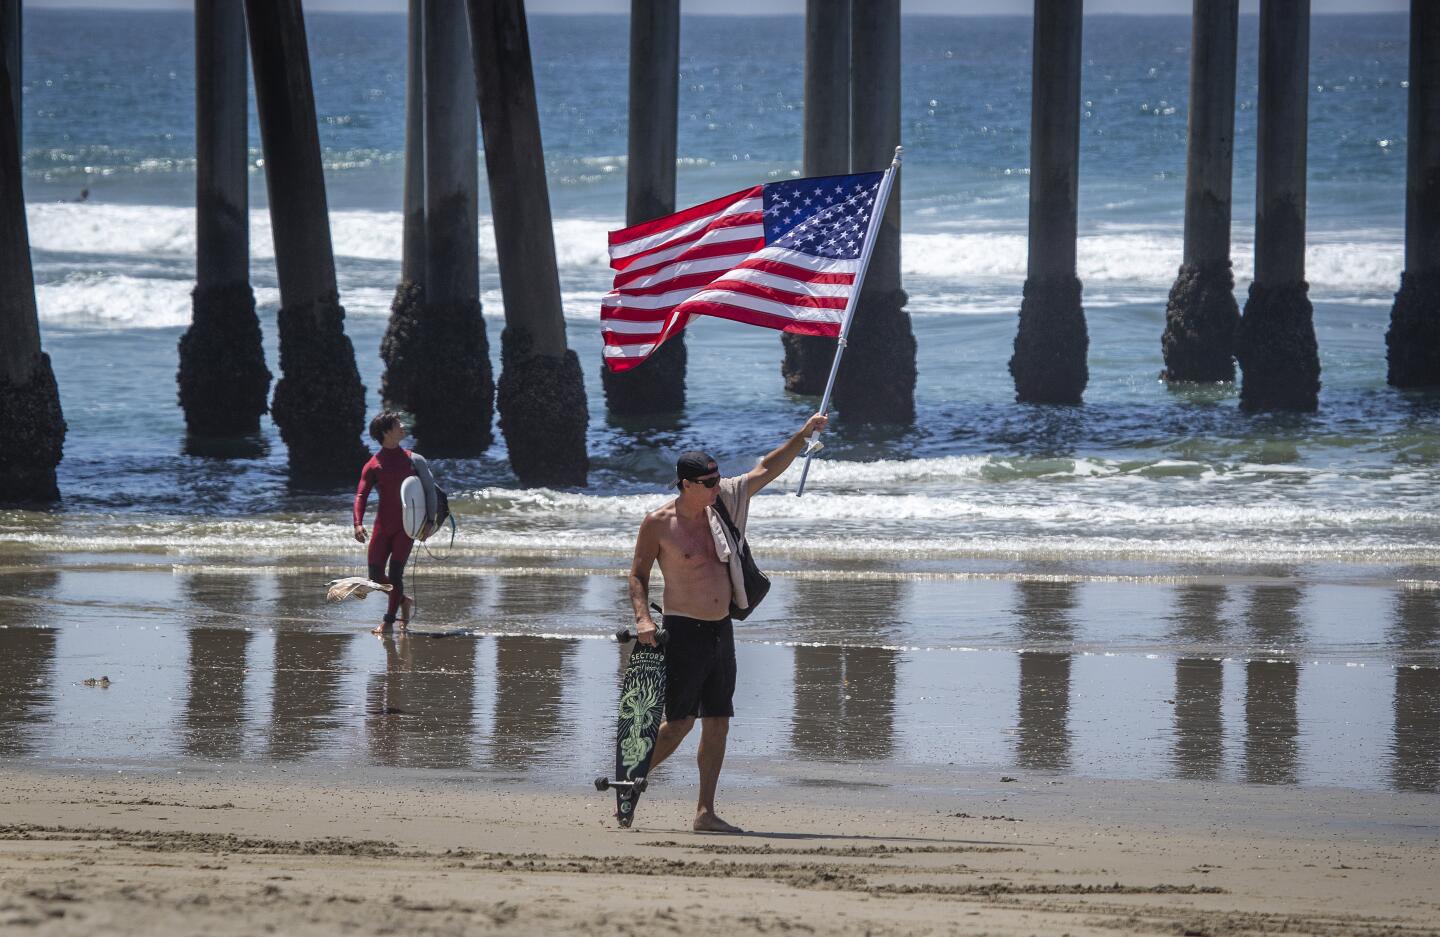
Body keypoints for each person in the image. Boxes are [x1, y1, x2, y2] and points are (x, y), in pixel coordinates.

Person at [628, 412, 829, 833]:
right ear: (686, 484)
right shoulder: (659, 524)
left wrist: (803, 433)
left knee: (718, 720)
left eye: (718, 479)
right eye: (708, 483)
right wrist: (644, 619)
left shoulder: (727, 502)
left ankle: (704, 812)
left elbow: (766, 468)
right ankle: (631, 775)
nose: (717, 487)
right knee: (680, 723)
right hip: (683, 631)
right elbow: (638, 575)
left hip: (721, 629)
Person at [352, 411, 436, 635]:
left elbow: (429, 491)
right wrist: (357, 523)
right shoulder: (373, 465)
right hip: (382, 526)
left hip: (405, 528)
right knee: (375, 576)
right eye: (397, 424)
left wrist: (429, 521)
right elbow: (361, 495)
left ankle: (389, 621)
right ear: (386, 432)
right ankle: (403, 600)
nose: (402, 426)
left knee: (396, 574)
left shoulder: (413, 459)